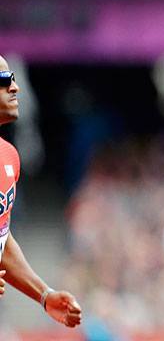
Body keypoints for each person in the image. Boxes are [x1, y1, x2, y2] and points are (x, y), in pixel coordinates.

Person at [0, 56, 82, 328]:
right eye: (4, 81)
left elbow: (2, 237)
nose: (15, 87)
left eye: (13, 79)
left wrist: (44, 294)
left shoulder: (8, 157)